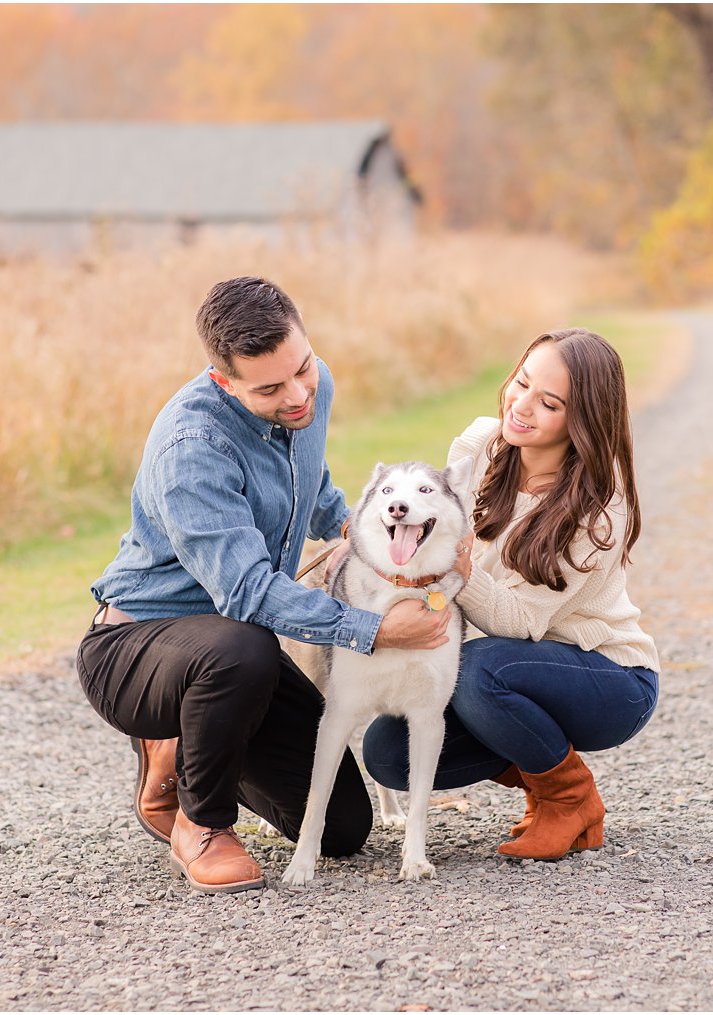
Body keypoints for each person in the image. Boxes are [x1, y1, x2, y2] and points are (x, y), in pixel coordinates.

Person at [77, 276, 452, 894]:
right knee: (241, 645)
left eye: (303, 368)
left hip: (233, 659)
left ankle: (200, 738)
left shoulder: (310, 387)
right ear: (223, 381)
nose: (299, 394)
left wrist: (377, 544)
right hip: (139, 648)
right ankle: (200, 822)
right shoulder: (192, 448)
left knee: (341, 830)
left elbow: (312, 490)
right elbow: (247, 591)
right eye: (271, 388)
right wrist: (376, 628)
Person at [362, 327, 660, 861]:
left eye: (548, 403)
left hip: (608, 678)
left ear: (583, 421)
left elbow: (521, 623)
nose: (520, 406)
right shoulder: (480, 445)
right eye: (520, 383)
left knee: (479, 670)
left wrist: (455, 561)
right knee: (388, 753)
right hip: (516, 670)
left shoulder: (597, 510)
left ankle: (569, 799)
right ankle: (544, 789)